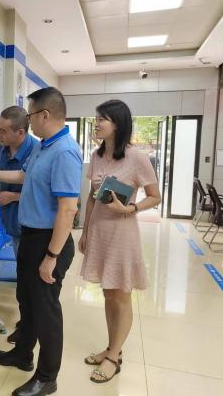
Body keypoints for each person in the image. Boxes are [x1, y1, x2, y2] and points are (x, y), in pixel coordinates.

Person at [0, 87, 82, 396]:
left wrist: (51, 256)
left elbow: (68, 209)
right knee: (28, 302)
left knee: (46, 311)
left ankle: (47, 377)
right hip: (31, 236)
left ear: (44, 115)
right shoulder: (44, 147)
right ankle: (22, 354)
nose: (29, 121)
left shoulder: (64, 152)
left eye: (31, 115)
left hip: (49, 242)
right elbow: (23, 177)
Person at [78, 99, 161, 384]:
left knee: (121, 295)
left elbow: (155, 196)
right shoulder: (97, 155)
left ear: (118, 123)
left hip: (123, 234)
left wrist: (130, 208)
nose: (97, 123)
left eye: (102, 119)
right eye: (96, 118)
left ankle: (113, 356)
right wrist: (86, 231)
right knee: (107, 293)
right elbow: (92, 197)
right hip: (100, 232)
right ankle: (114, 347)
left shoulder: (137, 158)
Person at [0, 106, 37, 345]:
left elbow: (39, 189)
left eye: (3, 131)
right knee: (23, 276)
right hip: (11, 220)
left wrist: (13, 197)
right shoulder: (2, 147)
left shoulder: (36, 150)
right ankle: (26, 322)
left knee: (29, 279)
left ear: (20, 132)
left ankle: (29, 325)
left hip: (30, 223)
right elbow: (0, 173)